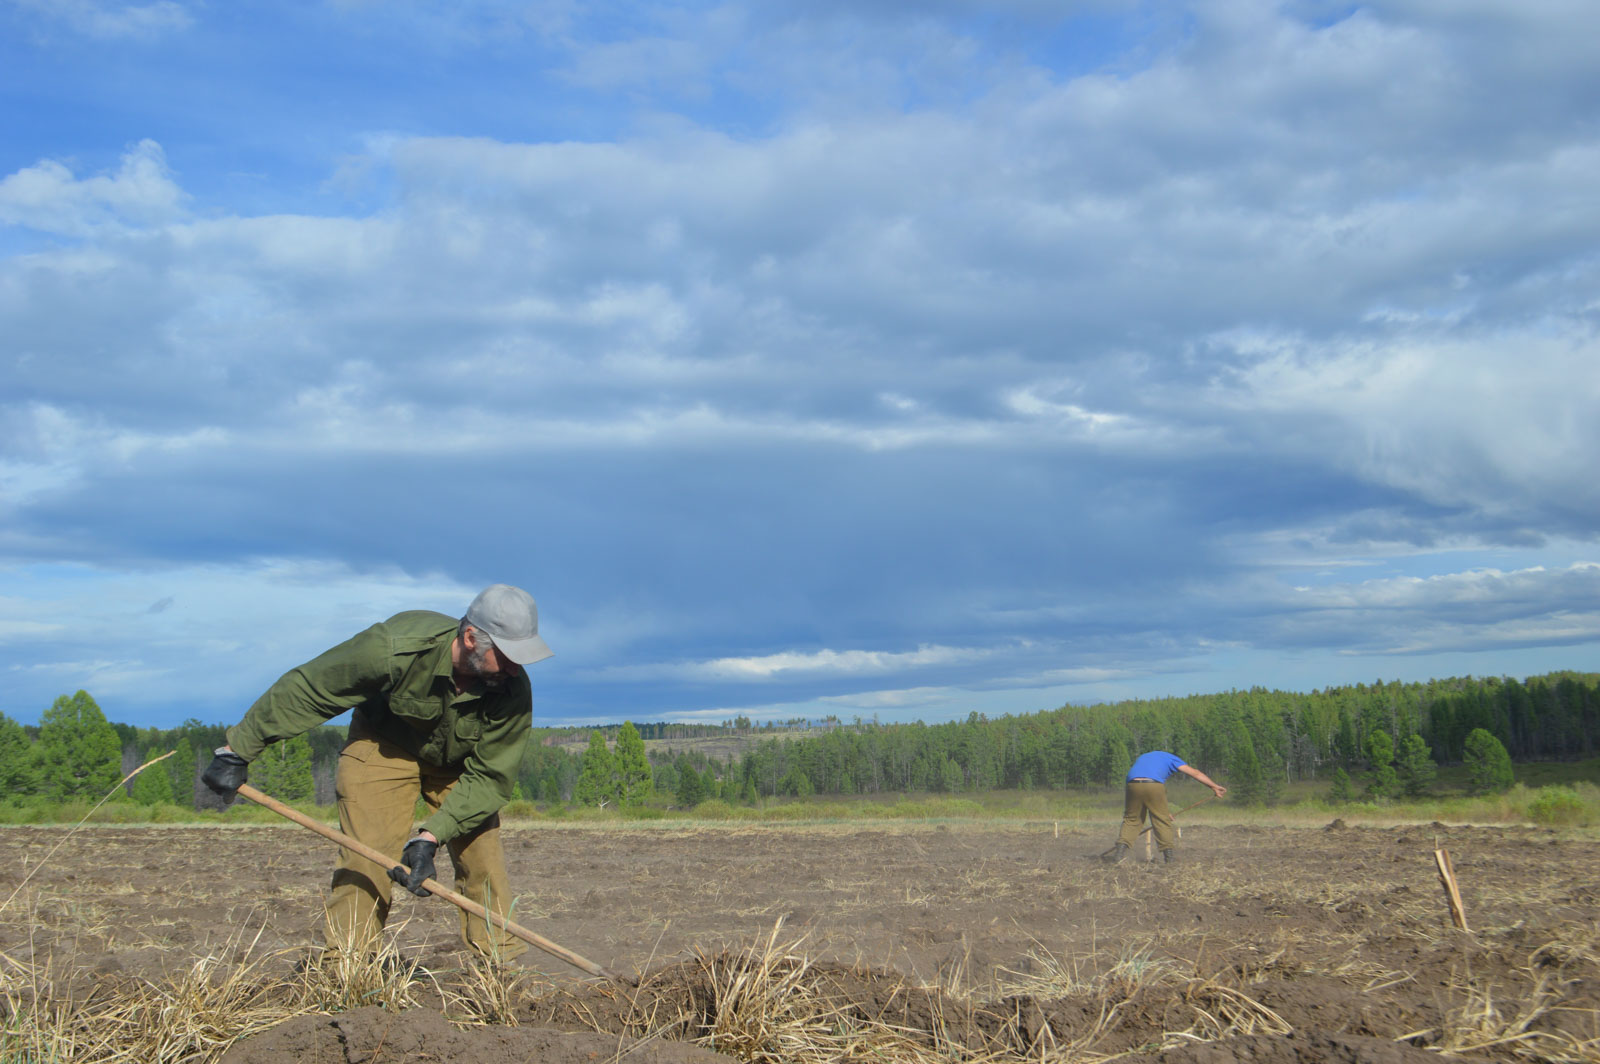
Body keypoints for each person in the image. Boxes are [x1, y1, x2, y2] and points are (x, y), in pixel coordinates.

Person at [201, 584, 553, 961]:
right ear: (470, 638)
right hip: (384, 745)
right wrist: (238, 750)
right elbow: (311, 688)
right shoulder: (393, 646)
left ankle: (502, 971)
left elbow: (490, 776)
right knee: (366, 856)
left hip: (460, 767)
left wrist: (430, 838)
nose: (518, 667)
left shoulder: (512, 687)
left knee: (483, 860)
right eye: (509, 655)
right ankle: (348, 966)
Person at [1103, 750, 1225, 865]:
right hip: (1153, 784)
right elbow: (1195, 773)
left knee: (1132, 820)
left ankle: (1118, 855)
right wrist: (1214, 786)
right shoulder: (1172, 758)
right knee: (1161, 821)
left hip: (1133, 784)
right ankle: (1169, 859)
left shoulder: (1143, 757)